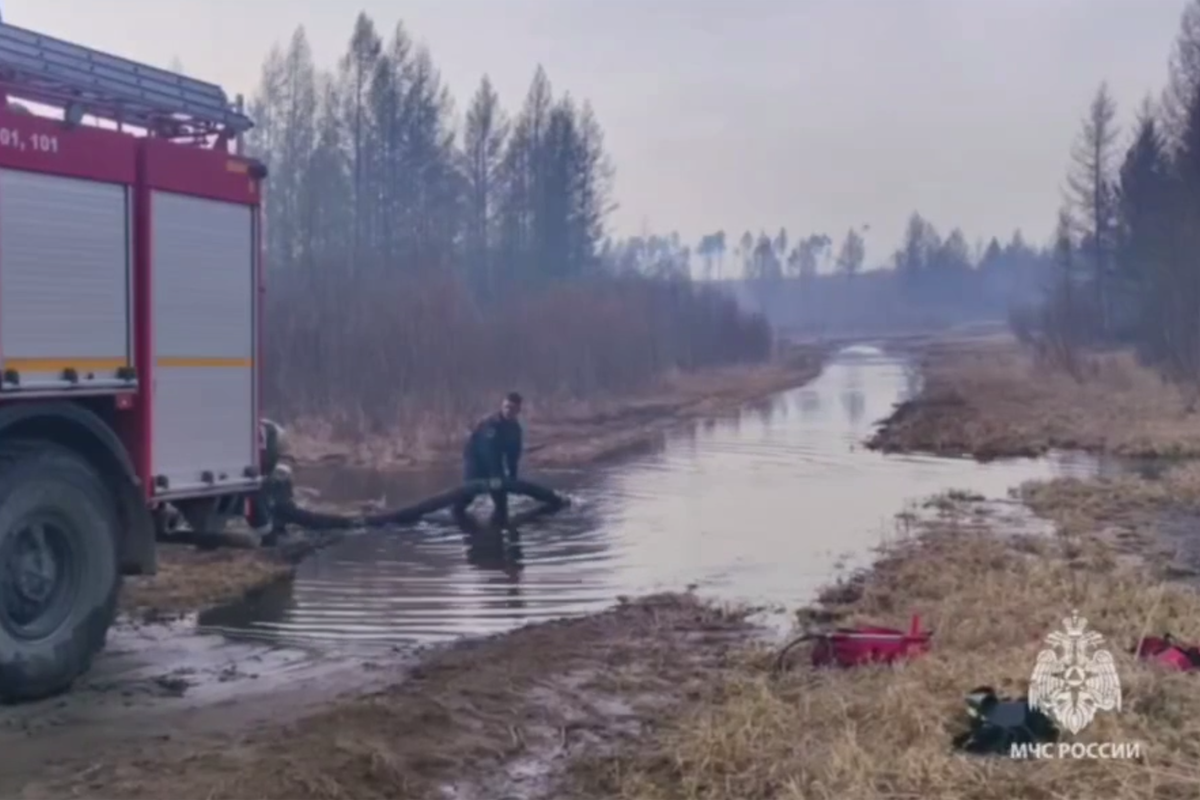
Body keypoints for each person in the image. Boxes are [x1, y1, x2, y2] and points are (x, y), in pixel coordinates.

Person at [454, 392, 524, 527]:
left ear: (518, 410)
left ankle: (499, 529)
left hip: (494, 459)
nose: (508, 411)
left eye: (512, 408)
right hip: (475, 458)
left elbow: (513, 454)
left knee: (501, 499)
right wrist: (496, 474)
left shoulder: (515, 429)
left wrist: (513, 477)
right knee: (469, 494)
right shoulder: (491, 424)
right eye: (506, 407)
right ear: (502, 406)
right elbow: (489, 452)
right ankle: (458, 517)